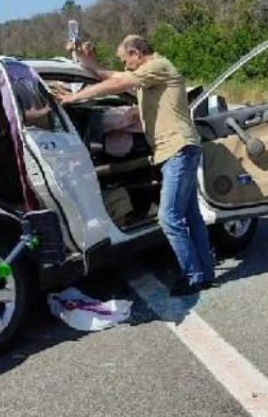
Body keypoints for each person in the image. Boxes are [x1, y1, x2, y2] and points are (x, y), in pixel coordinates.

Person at [58, 36, 215, 296]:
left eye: (126, 60)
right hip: (177, 151)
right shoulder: (147, 76)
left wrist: (74, 98)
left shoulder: (158, 67)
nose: (126, 66)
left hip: (178, 150)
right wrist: (81, 56)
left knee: (169, 218)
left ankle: (192, 276)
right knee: (190, 216)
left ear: (137, 53)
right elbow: (104, 74)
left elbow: (117, 82)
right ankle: (204, 273)